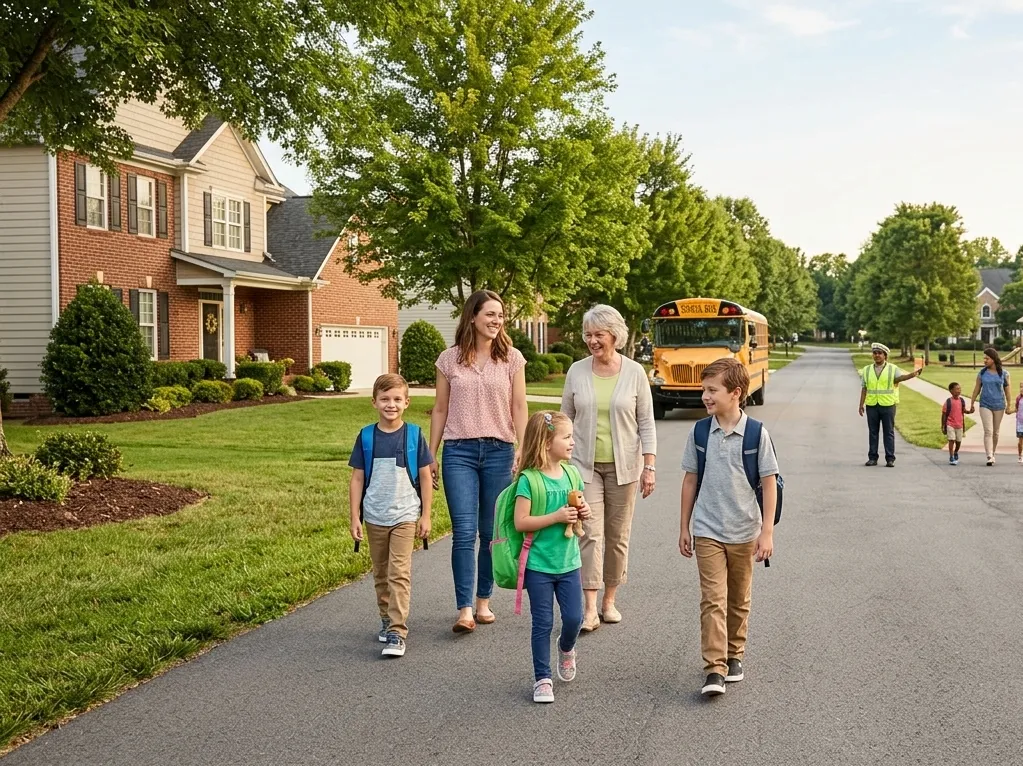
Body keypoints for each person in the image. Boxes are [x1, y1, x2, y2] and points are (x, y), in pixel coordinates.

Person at [678, 358, 778, 697]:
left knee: (738, 598)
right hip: (707, 529)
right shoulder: (700, 432)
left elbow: (769, 484)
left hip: (745, 531)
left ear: (735, 393)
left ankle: (735, 654)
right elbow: (690, 480)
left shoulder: (756, 434)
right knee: (713, 599)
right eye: (704, 390)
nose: (705, 396)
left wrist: (767, 532)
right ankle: (715, 668)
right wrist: (684, 527)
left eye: (712, 390)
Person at [430, 290, 528, 633]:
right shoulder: (449, 360)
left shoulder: (512, 359)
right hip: (459, 452)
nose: (496, 321)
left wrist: (523, 446)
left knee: (490, 531)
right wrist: (431, 453)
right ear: (472, 317)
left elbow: (519, 406)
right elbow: (440, 409)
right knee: (463, 531)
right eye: (490, 314)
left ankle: (484, 601)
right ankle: (465, 609)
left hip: (500, 451)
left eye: (500, 315)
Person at [561, 304, 656, 632]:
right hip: (583, 467)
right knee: (589, 533)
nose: (592, 340)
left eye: (598, 334)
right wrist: (556, 458)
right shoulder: (576, 371)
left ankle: (609, 600)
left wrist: (649, 465)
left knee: (617, 536)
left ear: (614, 335)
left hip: (625, 467)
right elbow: (565, 418)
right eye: (587, 335)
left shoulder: (635, 373)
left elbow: (646, 422)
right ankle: (589, 608)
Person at [349, 374, 434, 658]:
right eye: (385, 399)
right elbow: (357, 479)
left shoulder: (414, 436)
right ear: (374, 402)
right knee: (381, 573)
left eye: (397, 399)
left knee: (399, 573)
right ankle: (386, 618)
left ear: (407, 402)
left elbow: (425, 477)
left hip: (405, 516)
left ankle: (397, 631)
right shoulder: (366, 437)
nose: (391, 404)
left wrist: (425, 515)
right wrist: (354, 516)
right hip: (374, 515)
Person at [512, 411, 592, 703]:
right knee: (542, 622)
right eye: (566, 437)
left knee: (574, 618)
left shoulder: (572, 474)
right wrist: (555, 517)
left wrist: (584, 511)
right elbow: (521, 522)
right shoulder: (529, 481)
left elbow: (581, 508)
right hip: (538, 565)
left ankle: (566, 647)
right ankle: (542, 679)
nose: (572, 442)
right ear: (547, 443)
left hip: (569, 563)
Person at [857, 343, 921, 467]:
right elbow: (864, 388)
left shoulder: (892, 368)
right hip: (872, 405)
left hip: (888, 405)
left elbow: (899, 378)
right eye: (875, 353)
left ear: (885, 356)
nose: (877, 355)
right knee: (873, 432)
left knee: (888, 432)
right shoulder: (867, 370)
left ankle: (890, 458)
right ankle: (872, 458)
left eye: (879, 353)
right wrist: (861, 404)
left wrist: (912, 375)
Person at [968, 347, 1013, 466]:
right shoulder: (982, 373)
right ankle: (989, 455)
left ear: (993, 359)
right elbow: (977, 389)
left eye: (987, 358)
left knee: (995, 432)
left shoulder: (1004, 373)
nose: (984, 360)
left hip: (999, 405)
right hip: (985, 404)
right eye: (984, 358)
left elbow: (1007, 391)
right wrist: (972, 402)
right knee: (988, 431)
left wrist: (1009, 405)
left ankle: (993, 453)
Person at [941, 382, 969, 466]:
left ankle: (956, 451)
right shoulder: (948, 402)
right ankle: (951, 456)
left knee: (958, 442)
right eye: (957, 389)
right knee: (951, 440)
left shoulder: (961, 401)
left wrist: (970, 411)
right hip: (950, 424)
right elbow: (944, 414)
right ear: (951, 391)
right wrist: (943, 426)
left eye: (959, 389)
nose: (959, 390)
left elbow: (964, 411)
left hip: (959, 425)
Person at [1016, 382, 1023, 465]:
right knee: (1020, 441)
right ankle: (1020, 455)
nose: (1022, 389)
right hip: (1020, 423)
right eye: (1021, 387)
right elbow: (1017, 408)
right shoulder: (1018, 398)